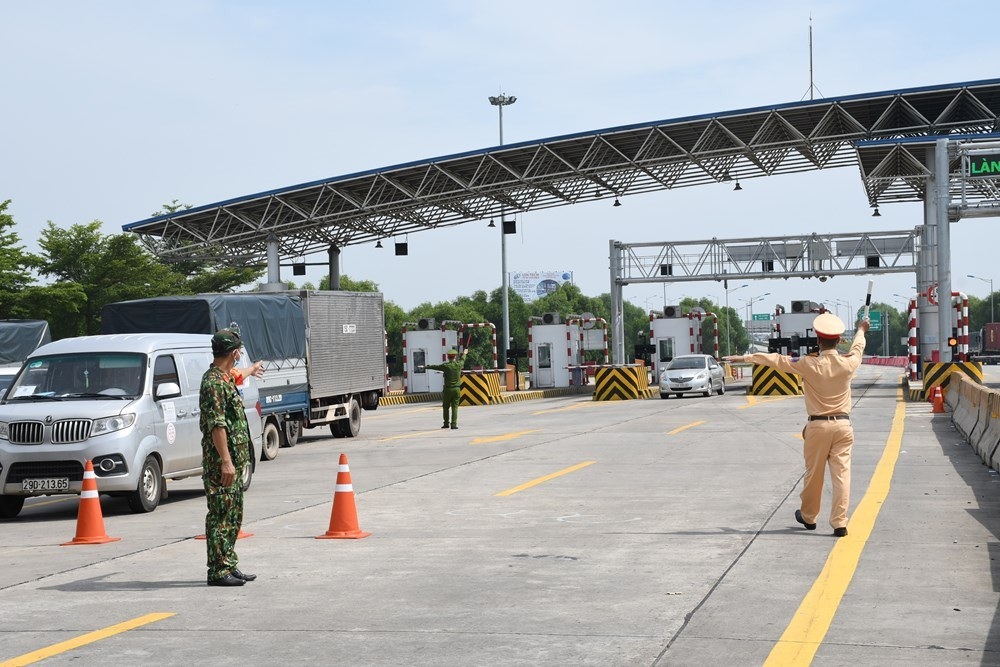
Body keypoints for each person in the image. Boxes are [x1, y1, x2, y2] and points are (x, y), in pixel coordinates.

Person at [723, 313, 869, 538]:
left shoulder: (808, 364)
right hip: (843, 426)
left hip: (818, 426)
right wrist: (861, 330)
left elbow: (776, 360)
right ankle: (839, 522)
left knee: (814, 473)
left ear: (818, 340)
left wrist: (745, 358)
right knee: (842, 475)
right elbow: (859, 347)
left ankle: (809, 517)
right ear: (839, 341)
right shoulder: (849, 362)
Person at [200, 328, 257, 586]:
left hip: (233, 460)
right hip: (221, 463)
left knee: (233, 515)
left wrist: (251, 369)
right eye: (239, 353)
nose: (240, 357)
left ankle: (228, 563)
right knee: (221, 515)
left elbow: (238, 374)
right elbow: (217, 425)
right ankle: (218, 571)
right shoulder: (213, 383)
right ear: (234, 353)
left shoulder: (224, 378)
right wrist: (225, 460)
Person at [427, 348, 469, 430]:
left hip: (448, 390)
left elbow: (435, 367)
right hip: (457, 389)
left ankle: (446, 423)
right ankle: (454, 424)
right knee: (455, 407)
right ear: (455, 357)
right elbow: (463, 359)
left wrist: (425, 367)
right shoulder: (458, 365)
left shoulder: (445, 366)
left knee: (446, 407)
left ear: (448, 357)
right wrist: (465, 353)